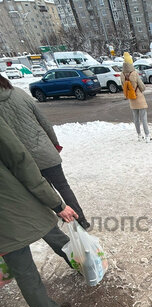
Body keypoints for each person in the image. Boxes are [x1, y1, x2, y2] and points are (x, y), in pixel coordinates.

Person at [0, 116, 78, 307]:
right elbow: (21, 161)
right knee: (54, 234)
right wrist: (57, 204)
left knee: (23, 269)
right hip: (16, 201)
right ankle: (85, 266)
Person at [0, 73, 90, 230]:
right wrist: (54, 144)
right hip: (44, 149)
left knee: (44, 191)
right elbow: (44, 122)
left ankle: (60, 218)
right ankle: (81, 221)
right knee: (63, 186)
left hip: (22, 161)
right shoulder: (19, 93)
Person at [121, 52, 151, 142]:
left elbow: (123, 86)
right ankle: (147, 136)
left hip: (131, 98)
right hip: (139, 97)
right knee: (144, 118)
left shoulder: (122, 75)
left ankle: (139, 135)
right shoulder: (134, 73)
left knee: (136, 118)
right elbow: (142, 86)